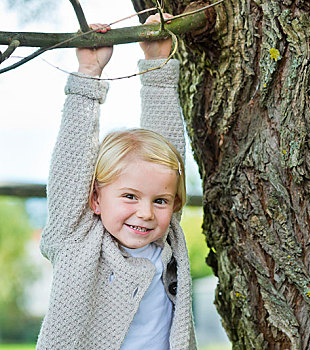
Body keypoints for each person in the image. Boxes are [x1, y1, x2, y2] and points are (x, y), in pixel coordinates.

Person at [36, 14, 196, 350]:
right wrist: (88, 74)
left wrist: (157, 63)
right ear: (95, 199)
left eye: (161, 201)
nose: (146, 213)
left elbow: (167, 154)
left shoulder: (167, 239)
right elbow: (71, 161)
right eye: (129, 196)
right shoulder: (75, 238)